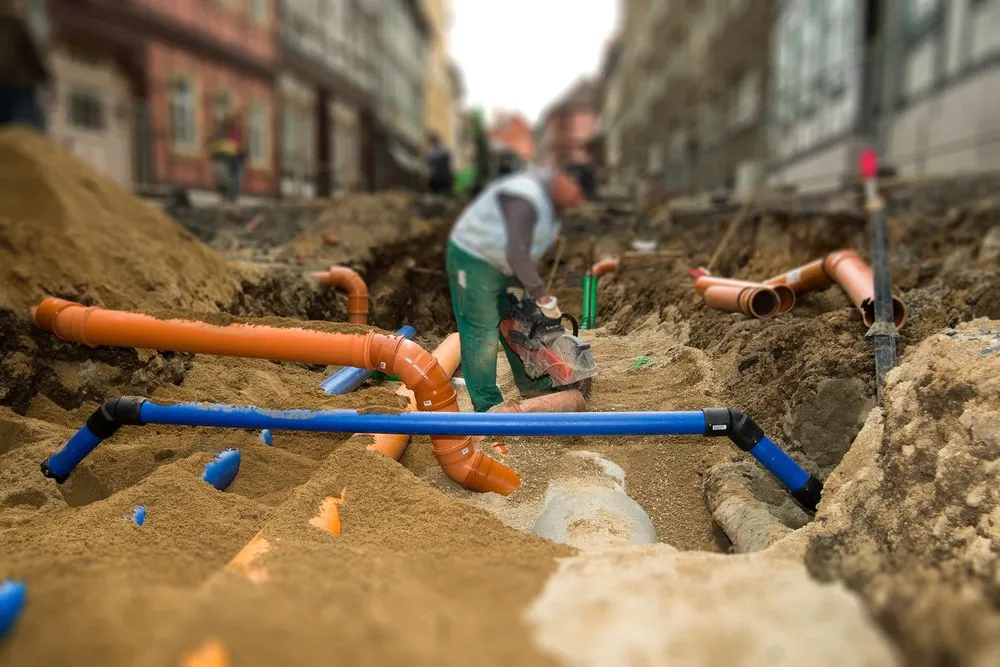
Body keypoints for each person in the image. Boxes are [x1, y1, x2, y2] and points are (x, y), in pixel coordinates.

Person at [446, 167, 584, 412]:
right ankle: (488, 406)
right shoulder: (526, 195)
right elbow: (517, 251)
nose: (579, 201)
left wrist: (525, 291)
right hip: (474, 257)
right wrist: (543, 296)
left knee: (520, 318)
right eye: (578, 192)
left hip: (504, 263)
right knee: (482, 329)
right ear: (563, 178)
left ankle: (532, 383)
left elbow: (524, 249)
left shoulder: (552, 207)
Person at [0, 5, 50, 131]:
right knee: (24, 130)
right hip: (19, 88)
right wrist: (44, 76)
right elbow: (31, 54)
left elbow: (31, 53)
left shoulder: (14, 25)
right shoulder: (15, 24)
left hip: (17, 87)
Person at [426, 132, 454, 196]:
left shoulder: (431, 154)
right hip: (445, 180)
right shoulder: (445, 151)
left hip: (438, 180)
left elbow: (430, 169)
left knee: (440, 194)